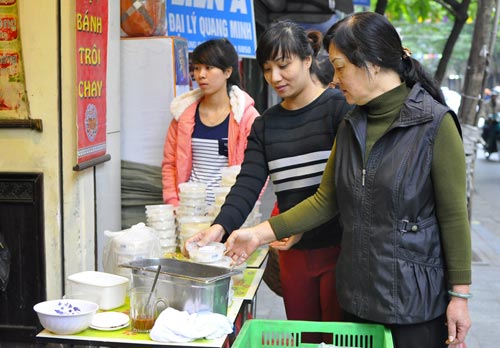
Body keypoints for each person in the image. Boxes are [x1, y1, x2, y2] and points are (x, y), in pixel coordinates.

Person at [224, 12, 472, 348]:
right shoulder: (352, 123)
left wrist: (459, 295)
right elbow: (326, 200)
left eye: (340, 67)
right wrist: (256, 234)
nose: (335, 80)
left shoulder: (435, 124)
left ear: (370, 62)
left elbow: (454, 216)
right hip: (357, 299)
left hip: (414, 303)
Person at [185, 21, 352, 333]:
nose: (275, 77)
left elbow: (348, 186)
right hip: (291, 253)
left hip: (340, 249)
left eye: (284, 65)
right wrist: (218, 229)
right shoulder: (266, 125)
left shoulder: (340, 110)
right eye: (267, 68)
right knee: (306, 335)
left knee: (339, 337)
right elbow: (247, 183)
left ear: (307, 60)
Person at [161, 38, 259, 205]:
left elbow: (257, 169)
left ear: (228, 72)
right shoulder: (183, 115)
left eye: (209, 67)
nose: (201, 75)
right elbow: (169, 164)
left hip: (229, 211)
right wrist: (173, 203)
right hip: (190, 212)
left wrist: (240, 207)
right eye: (197, 68)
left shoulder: (246, 118)